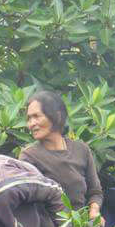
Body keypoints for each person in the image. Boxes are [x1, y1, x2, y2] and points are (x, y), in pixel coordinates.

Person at [20, 90, 103, 220]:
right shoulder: (29, 156)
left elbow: (95, 191)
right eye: (29, 118)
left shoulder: (81, 150)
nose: (31, 123)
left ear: (57, 116)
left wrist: (94, 211)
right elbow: (29, 200)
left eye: (36, 116)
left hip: (82, 224)